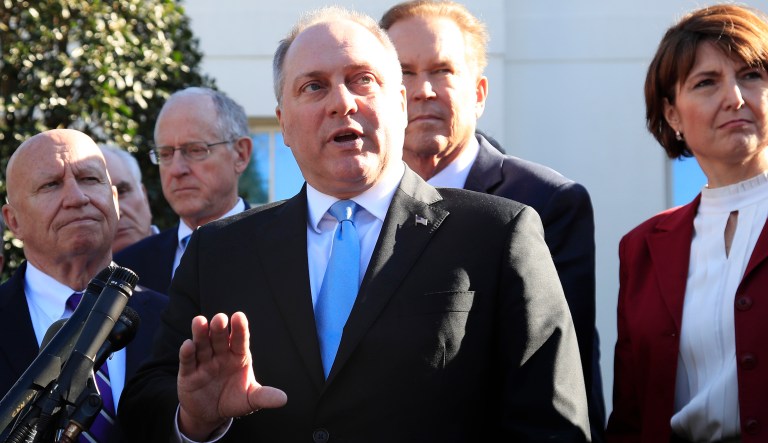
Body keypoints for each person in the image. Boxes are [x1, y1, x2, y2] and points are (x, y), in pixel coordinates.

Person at [118, 6, 590, 442]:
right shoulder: (218, 251)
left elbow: (552, 426)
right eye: (314, 86)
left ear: (401, 104)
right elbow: (145, 403)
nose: (341, 102)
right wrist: (195, 421)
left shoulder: (497, 235)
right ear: (282, 123)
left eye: (362, 80)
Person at [379, 1, 605, 438]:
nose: (423, 89)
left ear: (479, 93)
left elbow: (562, 379)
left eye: (442, 70)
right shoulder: (359, 206)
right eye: (405, 72)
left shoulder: (546, 203)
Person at [607, 4, 768, 442]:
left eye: (752, 75)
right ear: (672, 114)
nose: (735, 96)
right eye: (706, 82)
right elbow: (631, 412)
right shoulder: (641, 247)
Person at [0, 129, 168, 442]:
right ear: (14, 221)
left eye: (90, 179)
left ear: (115, 200)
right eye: (50, 185)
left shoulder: (172, 319)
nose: (77, 198)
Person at [113, 87, 253, 294]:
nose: (177, 170)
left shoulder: (285, 250)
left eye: (196, 150)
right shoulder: (126, 269)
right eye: (166, 154)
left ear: (240, 154)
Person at [99, 144, 158, 253]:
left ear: (143, 194)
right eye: (100, 200)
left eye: (121, 192)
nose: (117, 212)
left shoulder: (192, 256)